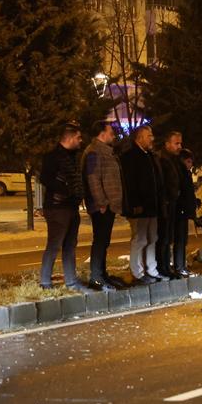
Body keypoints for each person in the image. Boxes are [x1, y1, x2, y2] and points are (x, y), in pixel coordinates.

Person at [39, 122, 86, 291]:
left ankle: (71, 281)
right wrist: (65, 190)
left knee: (70, 245)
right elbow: (45, 178)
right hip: (57, 208)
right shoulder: (53, 157)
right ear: (70, 137)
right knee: (54, 244)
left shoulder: (73, 156)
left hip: (71, 207)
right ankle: (45, 282)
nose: (81, 140)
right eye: (79, 137)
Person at [120, 125, 167, 285]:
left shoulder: (149, 156)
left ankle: (151, 269)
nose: (152, 138)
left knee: (152, 238)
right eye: (149, 135)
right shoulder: (130, 157)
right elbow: (130, 184)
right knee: (139, 239)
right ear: (139, 138)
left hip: (152, 206)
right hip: (140, 207)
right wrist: (135, 204)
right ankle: (137, 272)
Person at [82, 120, 124, 291]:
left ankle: (102, 274)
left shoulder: (104, 151)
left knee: (104, 240)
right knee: (100, 240)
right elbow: (93, 179)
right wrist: (102, 202)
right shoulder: (94, 152)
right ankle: (96, 277)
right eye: (110, 132)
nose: (113, 135)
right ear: (102, 133)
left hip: (108, 205)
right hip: (102, 206)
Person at [156, 131, 184, 278]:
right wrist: (166, 200)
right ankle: (163, 267)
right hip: (166, 204)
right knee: (164, 238)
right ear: (167, 144)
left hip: (172, 203)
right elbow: (162, 183)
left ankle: (167, 267)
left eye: (180, 143)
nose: (179, 146)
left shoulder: (173, 159)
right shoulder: (162, 159)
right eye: (176, 143)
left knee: (168, 237)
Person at [172, 147, 198, 276]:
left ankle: (181, 265)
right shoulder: (180, 173)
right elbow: (182, 193)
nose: (190, 164)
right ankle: (179, 266)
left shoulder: (186, 173)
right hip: (180, 211)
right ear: (182, 161)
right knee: (180, 240)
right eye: (188, 161)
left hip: (184, 211)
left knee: (183, 240)